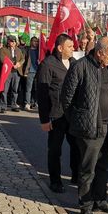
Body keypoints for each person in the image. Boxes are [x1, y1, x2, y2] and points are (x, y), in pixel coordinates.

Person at [61, 37, 108, 214]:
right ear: (99, 52)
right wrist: (80, 121)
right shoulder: (80, 67)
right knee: (88, 168)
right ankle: (85, 206)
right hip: (89, 128)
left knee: (103, 165)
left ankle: (100, 199)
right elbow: (66, 99)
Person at [37, 34, 80, 194]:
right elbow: (41, 94)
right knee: (55, 150)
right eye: (70, 46)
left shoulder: (74, 63)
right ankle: (55, 181)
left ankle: (77, 174)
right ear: (60, 48)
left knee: (77, 146)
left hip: (73, 115)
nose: (73, 49)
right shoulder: (48, 65)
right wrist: (44, 119)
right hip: (56, 115)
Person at [0, 36, 25, 113]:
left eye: (14, 41)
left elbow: (23, 59)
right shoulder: (3, 49)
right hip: (7, 72)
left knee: (15, 90)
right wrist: (11, 64)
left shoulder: (18, 50)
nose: (13, 43)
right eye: (11, 41)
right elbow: (2, 59)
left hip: (16, 72)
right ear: (8, 42)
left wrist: (19, 63)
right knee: (5, 90)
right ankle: (3, 106)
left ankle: (14, 105)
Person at [23, 36, 40, 111]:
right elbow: (24, 60)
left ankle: (35, 102)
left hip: (38, 72)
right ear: (31, 42)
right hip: (30, 71)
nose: (35, 43)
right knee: (28, 89)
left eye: (36, 41)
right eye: (34, 41)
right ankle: (27, 103)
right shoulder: (27, 50)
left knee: (36, 89)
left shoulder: (39, 51)